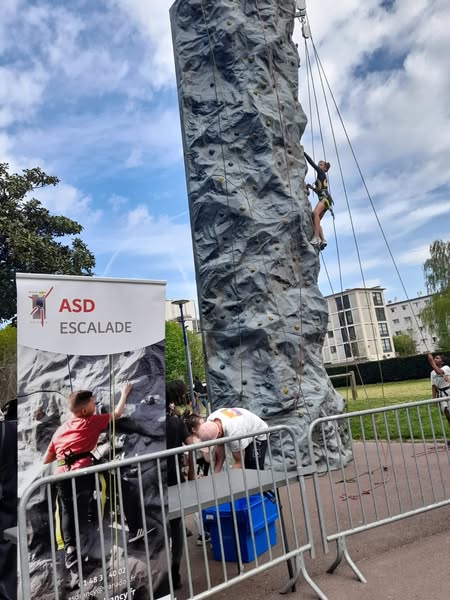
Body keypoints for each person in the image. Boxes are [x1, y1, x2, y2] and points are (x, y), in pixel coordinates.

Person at [43, 382, 132, 569]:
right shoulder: (91, 421)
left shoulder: (60, 430)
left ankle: (70, 552)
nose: (95, 404)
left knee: (67, 511)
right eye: (93, 403)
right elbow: (117, 413)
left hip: (61, 476)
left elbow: (47, 458)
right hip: (81, 473)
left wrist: (69, 449)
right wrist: (124, 393)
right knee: (82, 512)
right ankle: (86, 551)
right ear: (84, 410)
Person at [166, 381, 209, 590]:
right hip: (173, 480)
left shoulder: (150, 424)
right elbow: (191, 445)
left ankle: (161, 574)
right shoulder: (175, 423)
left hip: (151, 484)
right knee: (175, 527)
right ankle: (174, 571)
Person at [196, 407, 268, 472]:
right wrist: (215, 475)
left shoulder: (234, 434)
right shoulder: (211, 421)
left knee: (254, 469)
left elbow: (239, 462)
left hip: (258, 432)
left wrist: (227, 479)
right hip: (243, 426)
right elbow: (220, 447)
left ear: (219, 434)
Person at [304, 151, 334, 250]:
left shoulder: (321, 173)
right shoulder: (321, 176)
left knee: (315, 213)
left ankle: (316, 237)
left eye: (321, 164)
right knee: (316, 221)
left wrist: (304, 153)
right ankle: (323, 240)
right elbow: (319, 191)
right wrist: (312, 188)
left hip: (325, 199)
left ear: (325, 169)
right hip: (326, 200)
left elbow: (312, 163)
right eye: (319, 164)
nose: (318, 165)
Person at [428, 354, 450, 431]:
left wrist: (431, 361)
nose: (435, 359)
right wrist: (434, 399)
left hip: (448, 392)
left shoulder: (446, 368)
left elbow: (438, 372)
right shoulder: (432, 373)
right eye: (434, 358)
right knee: (447, 415)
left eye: (437, 358)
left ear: (442, 362)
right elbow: (433, 386)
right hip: (441, 394)